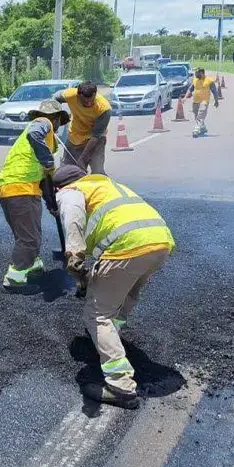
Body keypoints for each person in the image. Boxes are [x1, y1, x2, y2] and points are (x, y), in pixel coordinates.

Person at [52, 164, 175, 409]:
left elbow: (74, 215)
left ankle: (121, 386)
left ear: (58, 187)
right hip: (160, 241)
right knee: (126, 294)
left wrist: (74, 254)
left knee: (97, 314)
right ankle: (111, 336)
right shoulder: (107, 186)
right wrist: (87, 277)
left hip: (128, 245)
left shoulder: (70, 191)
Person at [0, 100, 69, 294]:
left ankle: (33, 265)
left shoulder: (43, 140)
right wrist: (48, 160)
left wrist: (51, 203)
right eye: (59, 121)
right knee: (28, 238)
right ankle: (15, 279)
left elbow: (45, 178)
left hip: (14, 187)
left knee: (30, 234)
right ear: (56, 119)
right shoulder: (43, 123)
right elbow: (34, 134)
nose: (58, 126)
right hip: (21, 188)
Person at [53, 81, 111, 174]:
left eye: (91, 101)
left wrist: (82, 159)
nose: (88, 104)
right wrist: (55, 116)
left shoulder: (104, 109)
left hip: (95, 141)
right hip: (75, 137)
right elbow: (55, 97)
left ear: (95, 94)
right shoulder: (71, 94)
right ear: (78, 95)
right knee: (66, 171)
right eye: (85, 101)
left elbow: (95, 136)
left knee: (98, 171)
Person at [189, 68, 221, 137]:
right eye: (196, 74)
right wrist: (185, 97)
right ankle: (203, 128)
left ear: (203, 73)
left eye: (198, 74)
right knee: (196, 115)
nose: (196, 75)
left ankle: (196, 130)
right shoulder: (195, 80)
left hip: (205, 101)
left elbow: (214, 91)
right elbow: (190, 89)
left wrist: (216, 101)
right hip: (195, 101)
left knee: (201, 114)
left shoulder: (209, 80)